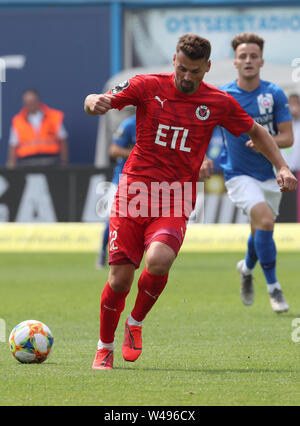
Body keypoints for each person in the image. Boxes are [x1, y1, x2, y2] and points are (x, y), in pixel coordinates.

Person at [84, 33, 297, 370]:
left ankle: (135, 323)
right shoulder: (146, 85)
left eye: (194, 71)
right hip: (133, 192)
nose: (186, 77)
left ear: (207, 68)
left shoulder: (218, 102)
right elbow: (101, 100)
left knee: (159, 259)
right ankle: (104, 347)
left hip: (175, 196)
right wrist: (92, 100)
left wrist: (282, 166)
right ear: (174, 61)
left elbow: (256, 131)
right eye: (182, 68)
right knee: (119, 280)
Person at [217, 33, 294, 313]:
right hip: (238, 174)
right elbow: (203, 131)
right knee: (264, 220)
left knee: (261, 227)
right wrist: (200, 158)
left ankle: (246, 268)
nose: (248, 60)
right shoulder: (224, 96)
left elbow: (287, 137)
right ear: (235, 61)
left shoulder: (273, 94)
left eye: (253, 56)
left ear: (261, 60)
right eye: (243, 56)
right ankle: (274, 288)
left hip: (270, 174)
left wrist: (264, 138)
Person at [96, 114, 136, 269]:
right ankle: (103, 250)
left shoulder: (157, 124)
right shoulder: (129, 124)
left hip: (147, 180)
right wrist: (137, 153)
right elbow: (113, 150)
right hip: (123, 179)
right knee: (114, 218)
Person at [7, 89, 68, 167]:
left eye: (32, 101)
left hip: (50, 161)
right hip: (28, 163)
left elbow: (62, 141)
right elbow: (13, 146)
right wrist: (11, 165)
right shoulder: (18, 121)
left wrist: (64, 163)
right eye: (27, 102)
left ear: (37, 101)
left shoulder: (53, 117)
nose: (30, 104)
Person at [281, 94, 300, 172]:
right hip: (285, 166)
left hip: (297, 166)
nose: (293, 107)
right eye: (291, 104)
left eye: (295, 104)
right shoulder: (283, 122)